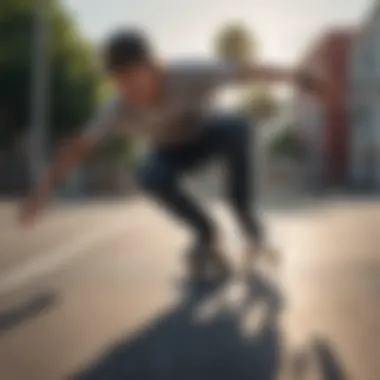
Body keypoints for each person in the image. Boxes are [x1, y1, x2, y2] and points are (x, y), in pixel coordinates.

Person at [20, 29, 293, 280]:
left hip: (207, 135)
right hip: (170, 152)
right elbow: (78, 148)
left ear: (152, 66)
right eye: (119, 80)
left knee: (238, 126)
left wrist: (303, 77)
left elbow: (246, 71)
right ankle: (206, 233)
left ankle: (249, 226)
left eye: (132, 76)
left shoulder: (187, 73)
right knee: (149, 175)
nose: (128, 88)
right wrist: (43, 190)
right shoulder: (116, 108)